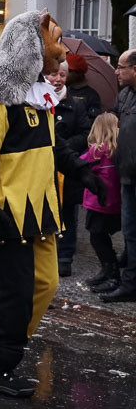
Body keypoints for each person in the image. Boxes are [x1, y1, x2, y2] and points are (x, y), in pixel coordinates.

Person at [0, 10, 106, 396]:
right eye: (55, 39)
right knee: (14, 297)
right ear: (30, 43)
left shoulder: (38, 98)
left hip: (41, 212)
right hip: (8, 214)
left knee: (45, 285)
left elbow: (52, 147)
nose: (61, 48)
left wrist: (81, 171)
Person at [49, 59, 94, 276]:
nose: (58, 80)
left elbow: (86, 134)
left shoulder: (75, 104)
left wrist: (64, 147)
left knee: (68, 212)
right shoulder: (38, 102)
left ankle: (65, 256)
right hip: (44, 168)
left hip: (67, 169)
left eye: (62, 76)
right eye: (53, 75)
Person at [103, 49, 136, 303]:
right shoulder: (125, 95)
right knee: (129, 231)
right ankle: (129, 282)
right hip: (126, 175)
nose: (116, 71)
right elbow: (112, 121)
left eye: (121, 67)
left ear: (134, 69)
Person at [81, 113, 122, 294]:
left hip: (98, 203)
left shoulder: (97, 150)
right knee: (103, 237)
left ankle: (111, 272)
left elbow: (79, 164)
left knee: (97, 238)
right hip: (114, 203)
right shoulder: (117, 150)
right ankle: (108, 271)